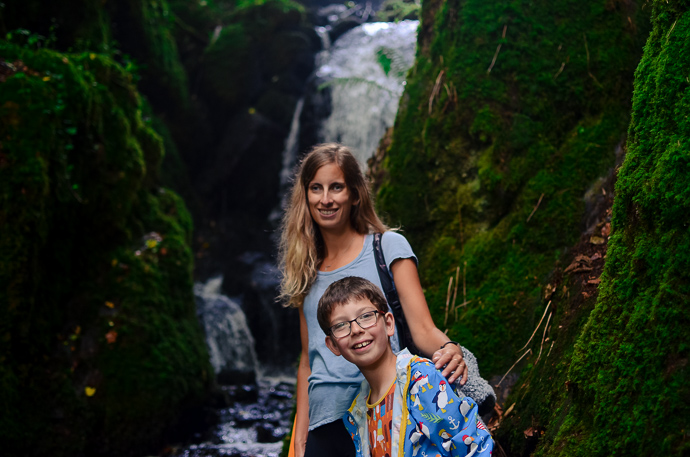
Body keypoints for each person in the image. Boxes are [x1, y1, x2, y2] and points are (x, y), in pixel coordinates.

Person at [279, 143, 468, 457]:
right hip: (324, 424)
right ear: (306, 196)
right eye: (316, 188)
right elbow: (307, 361)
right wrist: (299, 441)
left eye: (336, 187)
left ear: (354, 194)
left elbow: (422, 330)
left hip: (385, 413)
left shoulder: (387, 248)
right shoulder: (305, 269)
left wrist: (449, 348)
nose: (325, 199)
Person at [317, 276, 494, 457]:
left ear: (388, 324)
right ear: (333, 345)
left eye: (366, 316)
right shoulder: (359, 411)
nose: (356, 330)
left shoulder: (422, 380)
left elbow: (473, 447)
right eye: (341, 325)